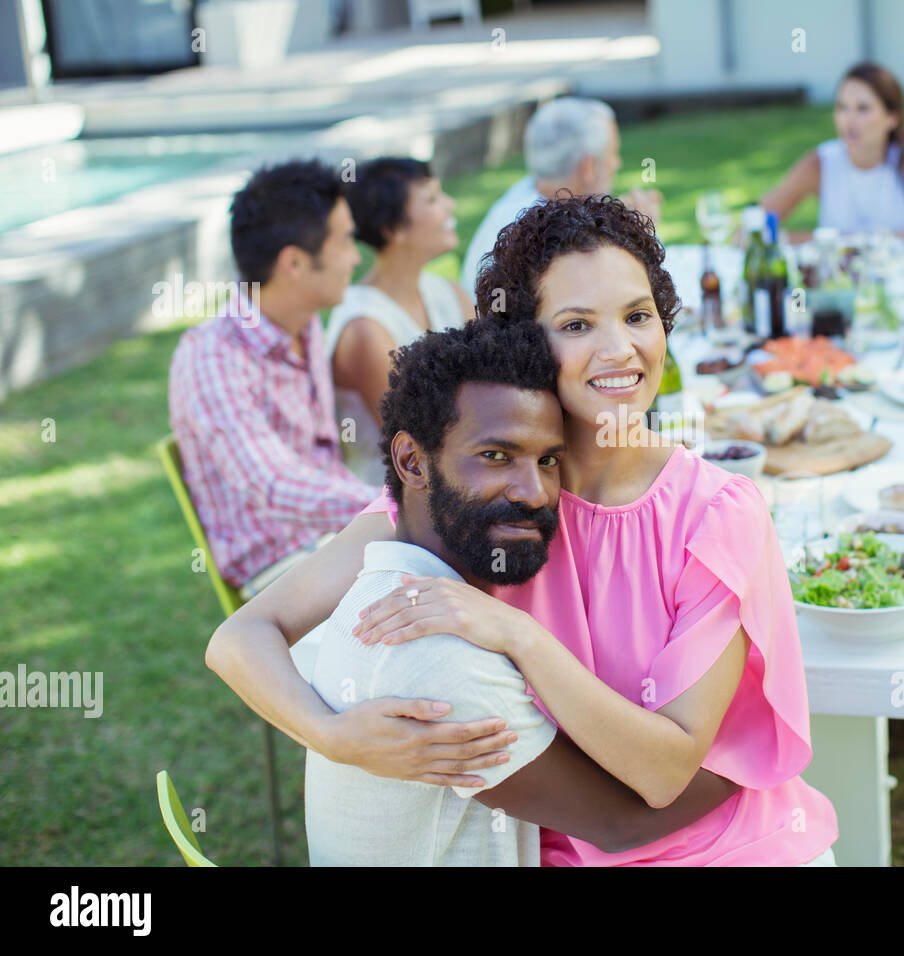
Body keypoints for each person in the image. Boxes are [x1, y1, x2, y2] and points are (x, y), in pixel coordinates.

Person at [207, 195, 838, 866]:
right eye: (576, 324)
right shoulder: (475, 496)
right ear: (524, 341)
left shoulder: (716, 517)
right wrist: (333, 737)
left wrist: (516, 633)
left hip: (723, 848)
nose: (619, 349)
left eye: (637, 316)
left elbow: (663, 773)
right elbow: (241, 636)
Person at [306, 318, 738, 865]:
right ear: (413, 461)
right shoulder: (436, 655)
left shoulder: (382, 587)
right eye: (496, 457)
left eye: (548, 460)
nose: (534, 492)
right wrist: (744, 767)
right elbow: (621, 821)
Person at [168, 159, 378, 598]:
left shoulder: (305, 323)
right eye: (345, 241)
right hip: (280, 573)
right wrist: (392, 507)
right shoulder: (212, 355)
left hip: (338, 543)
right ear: (295, 263)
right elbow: (273, 485)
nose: (357, 257)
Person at [328, 157, 474, 485]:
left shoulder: (447, 292)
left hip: (459, 474)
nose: (449, 205)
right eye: (432, 199)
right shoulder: (364, 328)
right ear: (394, 229)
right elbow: (420, 437)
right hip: (392, 500)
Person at [459, 97, 663, 292]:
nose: (617, 163)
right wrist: (639, 236)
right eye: (613, 154)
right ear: (588, 167)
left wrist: (619, 220)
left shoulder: (526, 199)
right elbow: (616, 295)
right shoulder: (544, 236)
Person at [761, 62, 904, 243]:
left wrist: (902, 239)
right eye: (842, 107)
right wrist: (834, 241)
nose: (849, 120)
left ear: (892, 117)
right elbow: (751, 230)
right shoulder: (820, 163)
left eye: (863, 108)